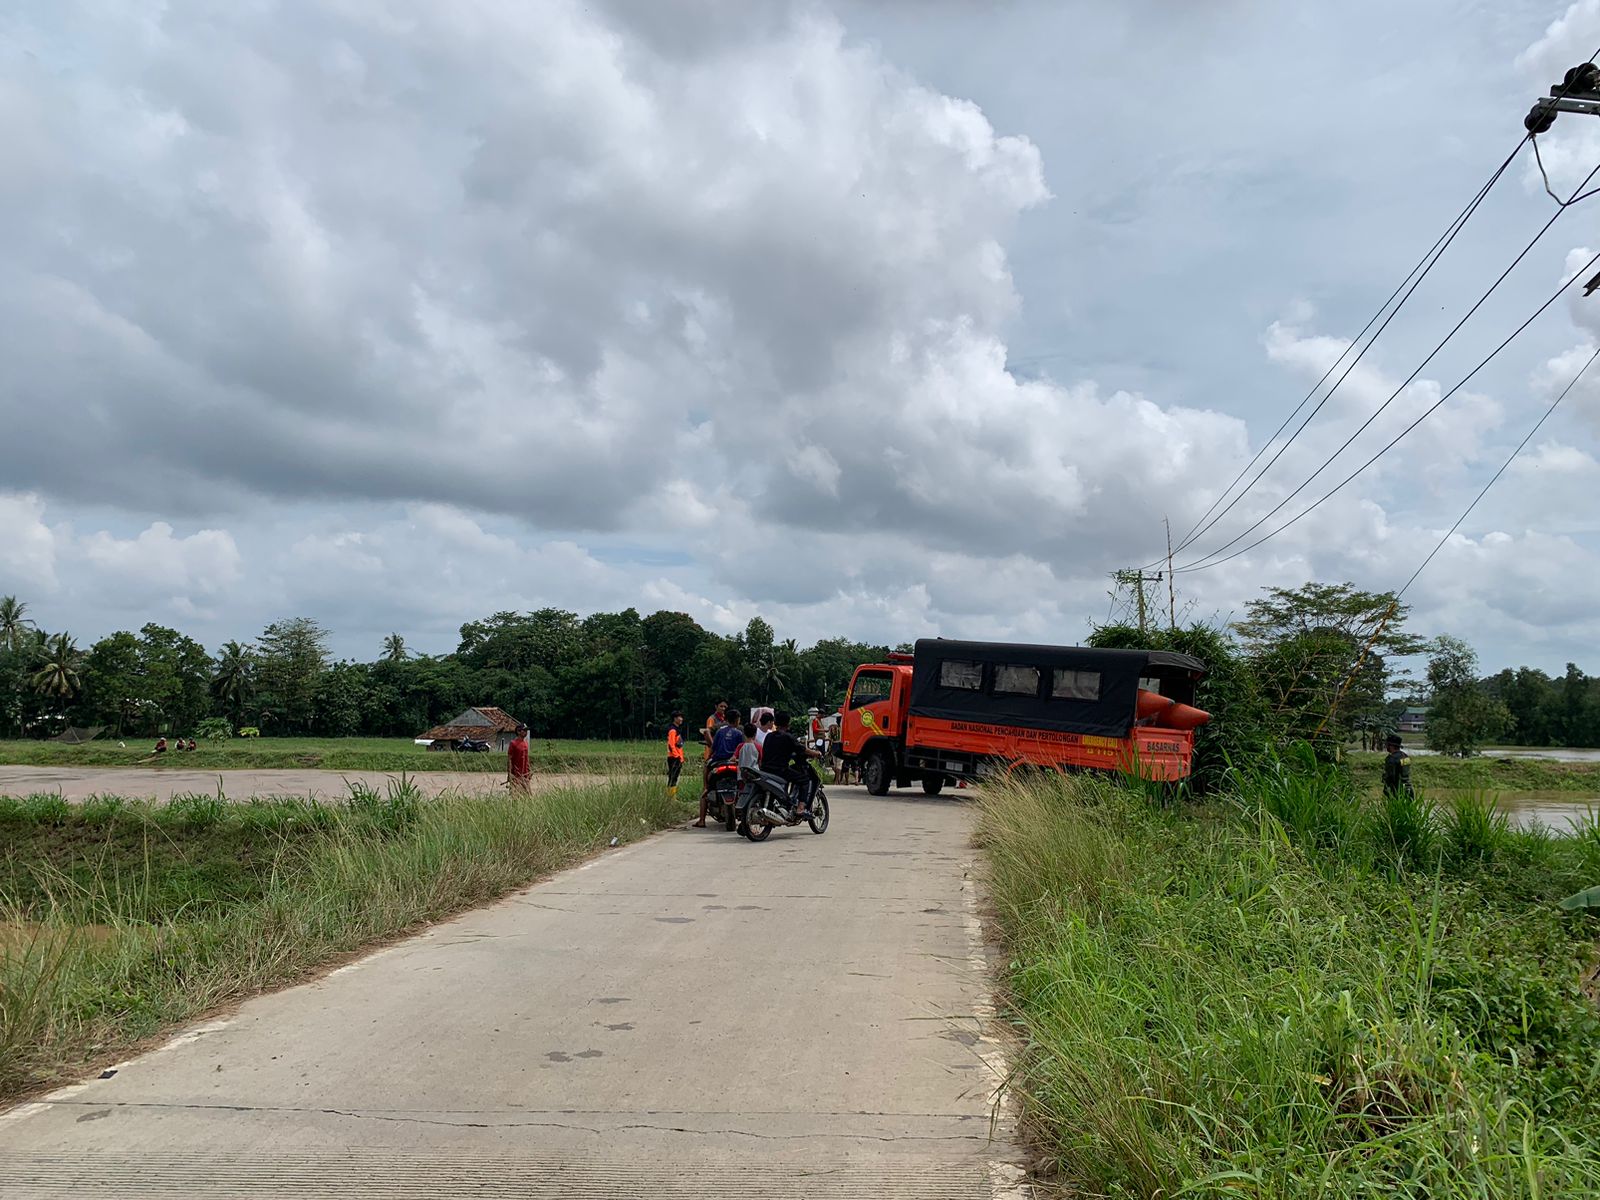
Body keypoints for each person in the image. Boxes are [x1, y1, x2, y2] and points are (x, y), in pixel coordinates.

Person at [760, 709, 823, 815]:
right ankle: (801, 808)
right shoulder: (788, 737)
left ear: (775, 723)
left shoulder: (769, 736)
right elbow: (802, 749)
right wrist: (816, 753)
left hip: (765, 769)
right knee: (804, 780)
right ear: (788, 724)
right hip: (780, 770)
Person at [696, 708, 744, 827]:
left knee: (706, 769)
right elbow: (741, 749)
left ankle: (702, 820)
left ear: (726, 720)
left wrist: (710, 757)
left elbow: (713, 748)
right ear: (737, 720)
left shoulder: (719, 732)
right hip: (734, 762)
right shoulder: (739, 733)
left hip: (718, 762)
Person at [1382, 733, 1413, 800]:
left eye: (1387, 745)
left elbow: (1390, 776)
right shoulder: (1405, 756)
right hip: (1408, 789)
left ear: (1391, 746)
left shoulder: (1391, 759)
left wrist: (1387, 790)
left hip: (1397, 791)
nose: (1386, 746)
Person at [507, 723, 532, 794]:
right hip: (516, 775)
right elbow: (509, 759)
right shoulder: (513, 743)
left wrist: (529, 769)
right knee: (515, 795)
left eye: (526, 730)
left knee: (528, 795)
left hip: (525, 775)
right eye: (524, 730)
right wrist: (509, 773)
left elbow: (527, 758)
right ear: (518, 731)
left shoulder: (526, 744)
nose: (526, 732)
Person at [666, 713, 686, 796]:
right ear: (675, 718)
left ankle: (672, 795)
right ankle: (670, 797)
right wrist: (676, 756)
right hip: (674, 758)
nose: (681, 719)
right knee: (672, 778)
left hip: (678, 757)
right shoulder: (672, 730)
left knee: (675, 777)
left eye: (682, 717)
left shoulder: (677, 729)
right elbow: (671, 745)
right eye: (679, 717)